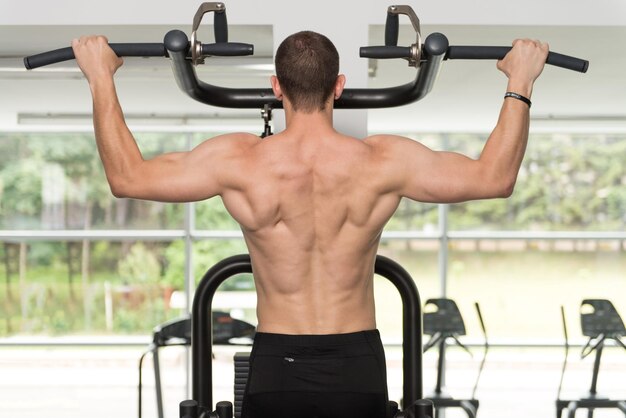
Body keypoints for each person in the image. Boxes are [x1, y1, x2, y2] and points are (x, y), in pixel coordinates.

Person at [72, 30, 548, 418]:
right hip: (357, 363)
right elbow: (495, 178)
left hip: (278, 362)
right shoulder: (384, 161)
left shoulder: (238, 161)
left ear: (276, 87)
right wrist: (520, 81)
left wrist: (99, 76)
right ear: (338, 86)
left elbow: (127, 177)